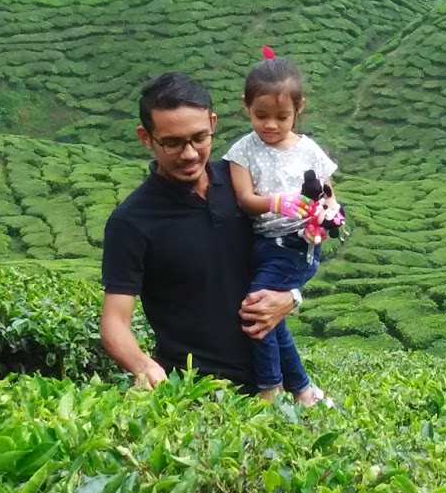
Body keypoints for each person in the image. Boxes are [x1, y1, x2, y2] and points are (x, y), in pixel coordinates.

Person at [99, 72, 302, 396]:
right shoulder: (132, 221)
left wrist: (291, 298)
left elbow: (292, 247)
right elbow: (114, 323)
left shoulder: (242, 184)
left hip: (276, 381)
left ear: (213, 122)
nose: (190, 153)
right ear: (145, 137)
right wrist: (143, 364)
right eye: (173, 143)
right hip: (197, 393)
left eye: (199, 138)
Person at [223, 50, 336, 406]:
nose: (270, 125)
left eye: (281, 117)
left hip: (295, 244)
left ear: (298, 109)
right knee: (272, 317)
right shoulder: (242, 151)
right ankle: (303, 391)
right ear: (245, 106)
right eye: (261, 116)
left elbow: (328, 194)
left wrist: (330, 212)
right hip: (262, 243)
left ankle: (269, 390)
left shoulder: (309, 151)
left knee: (257, 308)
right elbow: (244, 198)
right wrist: (277, 202)